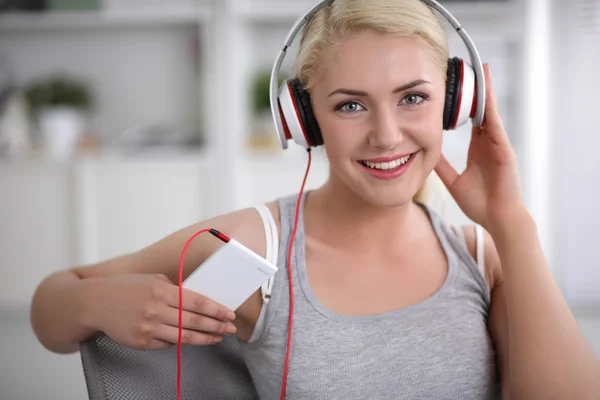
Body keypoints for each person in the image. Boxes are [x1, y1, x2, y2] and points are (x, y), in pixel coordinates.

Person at [30, 0, 599, 399]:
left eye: (413, 98)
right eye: (351, 105)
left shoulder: (482, 255)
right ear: (304, 120)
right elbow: (51, 304)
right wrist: (97, 305)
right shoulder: (260, 248)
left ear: (457, 102)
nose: (386, 134)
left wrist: (511, 223)